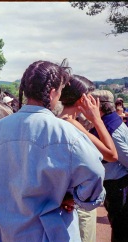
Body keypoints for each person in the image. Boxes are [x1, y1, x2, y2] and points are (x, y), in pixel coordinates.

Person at [0, 60, 106, 241]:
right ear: (52, 93)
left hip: (6, 233)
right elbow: (95, 174)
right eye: (59, 91)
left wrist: (2, 189)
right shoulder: (67, 134)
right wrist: (74, 198)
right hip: (51, 233)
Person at [59, 75, 118, 242]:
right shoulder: (71, 123)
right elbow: (111, 155)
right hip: (79, 203)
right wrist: (96, 119)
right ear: (82, 99)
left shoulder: (57, 121)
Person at [90, 90, 128, 242]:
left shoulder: (110, 130)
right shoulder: (113, 122)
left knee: (121, 229)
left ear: (98, 106)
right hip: (118, 185)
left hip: (118, 187)